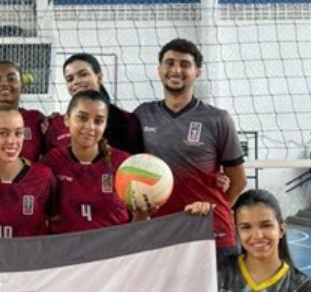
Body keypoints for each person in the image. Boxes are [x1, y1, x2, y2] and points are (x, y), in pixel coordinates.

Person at [134, 38, 246, 253]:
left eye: (185, 64)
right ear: (159, 70)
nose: (176, 70)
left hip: (210, 233)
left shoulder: (217, 119)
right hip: (161, 232)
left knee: (219, 288)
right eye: (169, 63)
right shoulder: (142, 115)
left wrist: (215, 209)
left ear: (197, 73)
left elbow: (238, 180)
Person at [42, 90, 134, 234]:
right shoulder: (52, 161)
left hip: (113, 252)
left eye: (98, 121)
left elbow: (138, 224)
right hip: (66, 251)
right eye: (82, 118)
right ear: (67, 120)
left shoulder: (124, 163)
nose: (90, 126)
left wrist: (143, 215)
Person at [0, 103, 56, 238]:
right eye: (2, 133)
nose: (12, 140)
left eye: (18, 133)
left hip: (31, 258)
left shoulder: (44, 177)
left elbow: (55, 225)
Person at [45, 53, 143, 154]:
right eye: (70, 79)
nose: (76, 82)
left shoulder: (127, 121)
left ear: (99, 77)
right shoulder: (56, 124)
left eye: (83, 74)